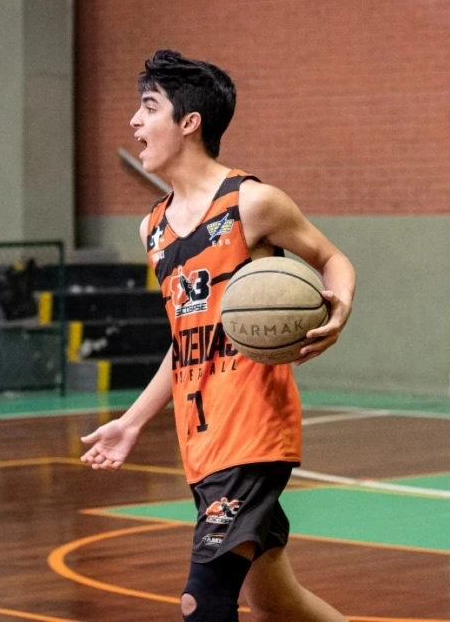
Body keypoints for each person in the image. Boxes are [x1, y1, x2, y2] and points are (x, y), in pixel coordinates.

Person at [81, 50, 356, 621]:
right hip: (202, 442)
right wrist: (132, 422)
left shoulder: (251, 202)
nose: (134, 120)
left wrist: (339, 307)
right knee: (275, 600)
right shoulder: (153, 227)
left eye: (148, 107)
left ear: (189, 122)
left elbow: (332, 258)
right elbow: (185, 343)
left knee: (202, 602)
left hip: (254, 434)